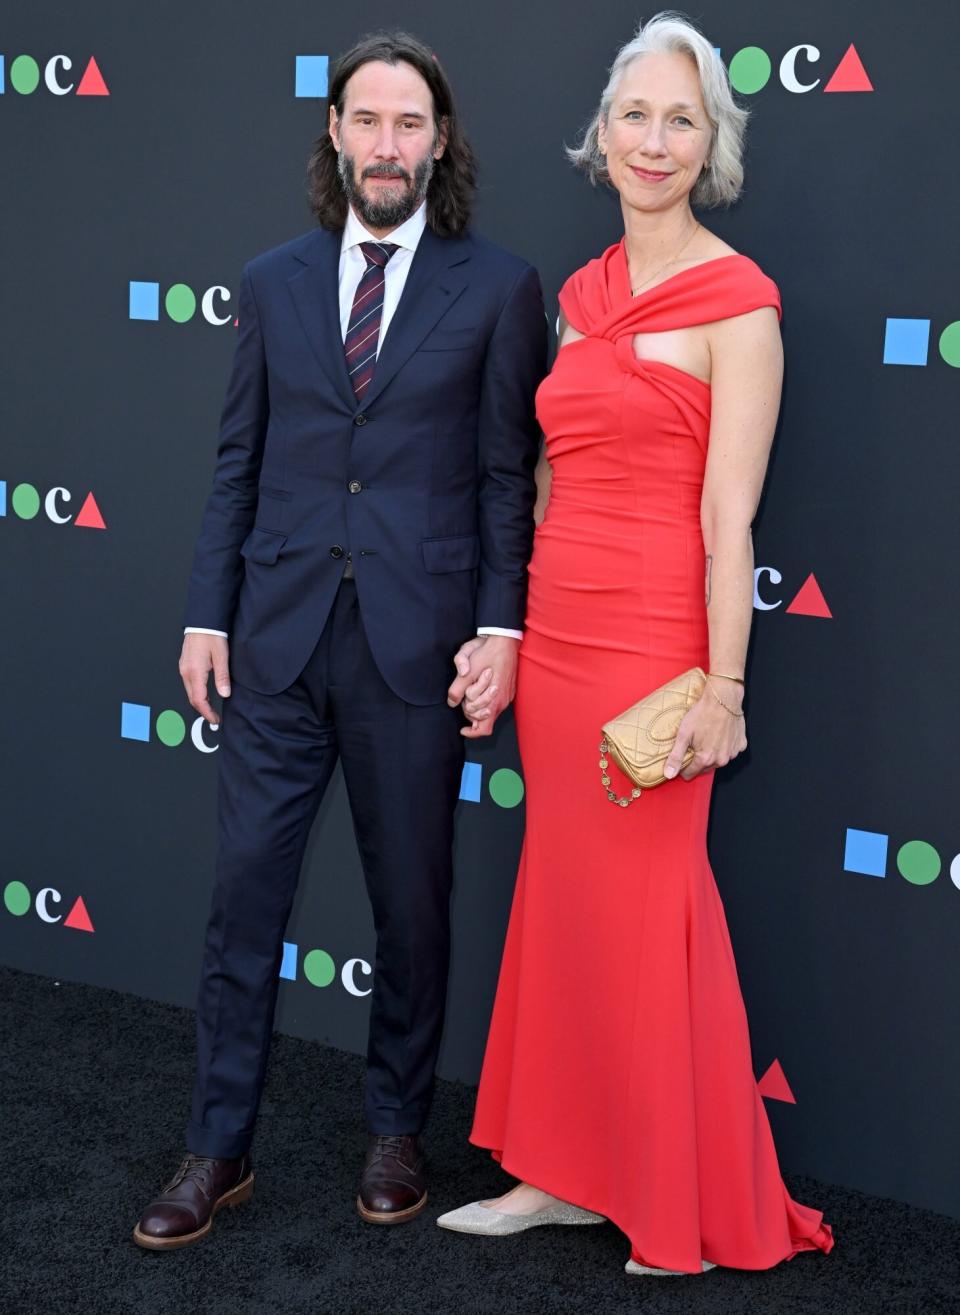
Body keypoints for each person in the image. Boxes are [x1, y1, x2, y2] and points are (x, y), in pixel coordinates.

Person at [132, 30, 546, 1250]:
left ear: (439, 142)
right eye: (366, 120)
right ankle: (216, 1149)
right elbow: (238, 461)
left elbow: (504, 480)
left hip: (414, 648)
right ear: (334, 134)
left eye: (408, 124)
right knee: (244, 899)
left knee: (411, 907)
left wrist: (499, 625)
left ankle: (396, 1130)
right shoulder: (273, 280)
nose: (386, 144)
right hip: (275, 640)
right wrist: (208, 612)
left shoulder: (502, 288)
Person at [438, 12, 835, 1277]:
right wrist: (505, 629)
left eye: (681, 118)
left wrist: (723, 685)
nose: (653, 140)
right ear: (600, 138)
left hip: (658, 652)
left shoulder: (741, 300)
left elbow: (733, 518)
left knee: (654, 908)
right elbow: (553, 479)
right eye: (634, 115)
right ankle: (560, 1172)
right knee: (561, 905)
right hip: (554, 639)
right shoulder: (582, 294)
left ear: (711, 142)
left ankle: (674, 1197)